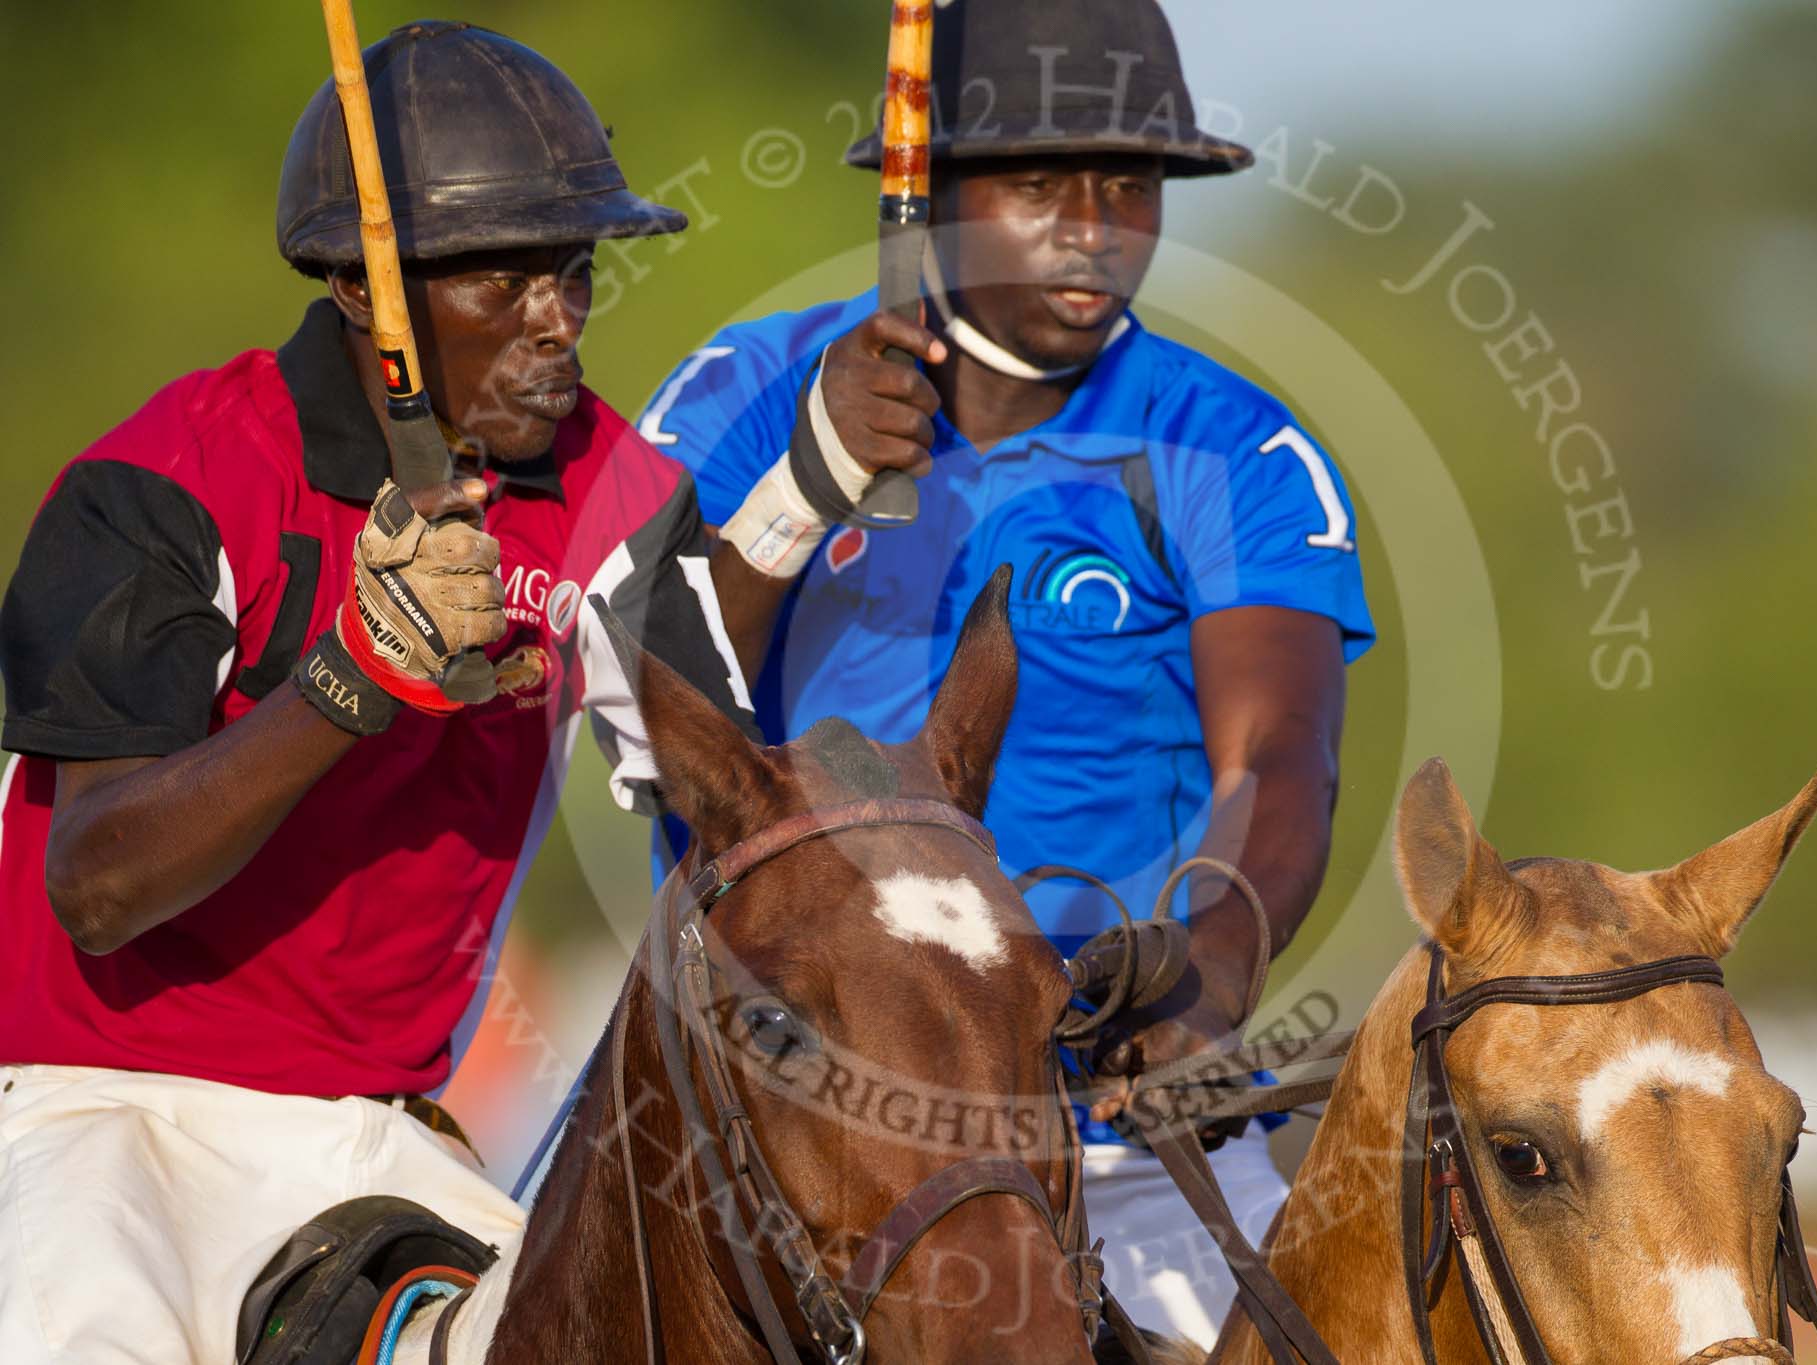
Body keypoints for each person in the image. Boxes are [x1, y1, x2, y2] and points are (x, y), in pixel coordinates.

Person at [0, 21, 792, 1365]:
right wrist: (352, 683)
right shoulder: (169, 475)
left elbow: (738, 821)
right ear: (368, 291)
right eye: (502, 281)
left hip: (377, 1140)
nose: (558, 321)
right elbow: (98, 883)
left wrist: (801, 498)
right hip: (93, 1118)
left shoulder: (622, 494)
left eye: (574, 271)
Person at [636, 0, 1374, 1345]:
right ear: (938, 195)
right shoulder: (743, 383)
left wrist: (1206, 982)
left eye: (1130, 184)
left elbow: (1276, 760)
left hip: (1116, 1148)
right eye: (1042, 184)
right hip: (747, 1136)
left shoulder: (1233, 445)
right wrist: (805, 479)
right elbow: (634, 705)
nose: (1094, 224)